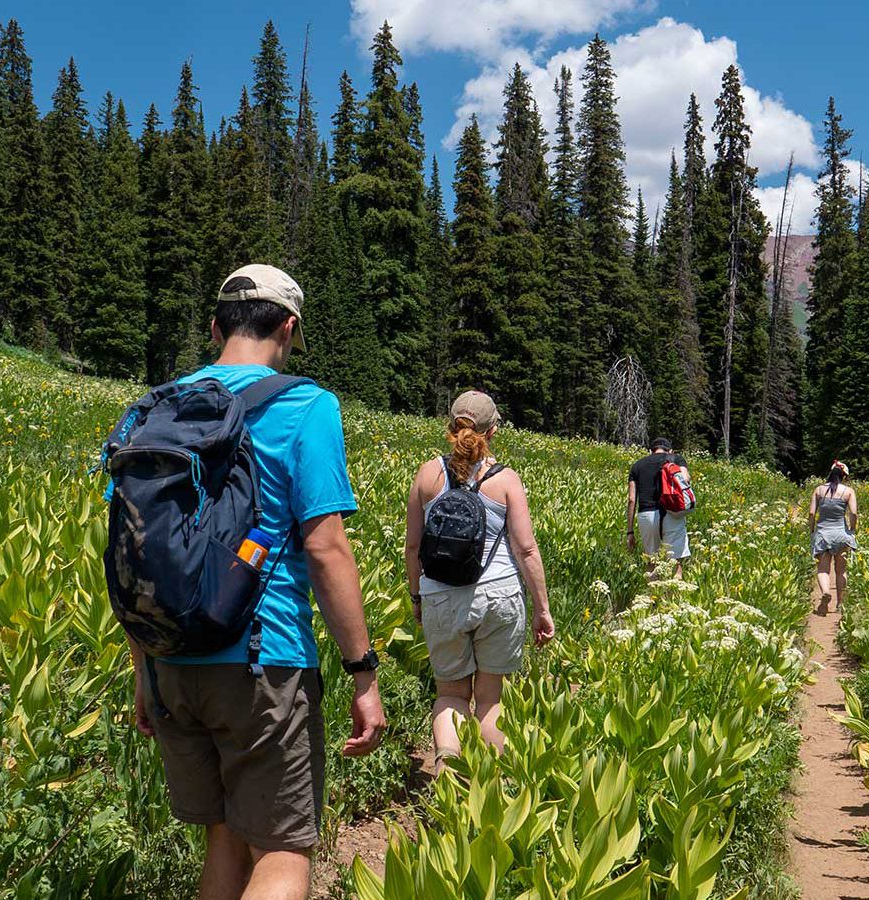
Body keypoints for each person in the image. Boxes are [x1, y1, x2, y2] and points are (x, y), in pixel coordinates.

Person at [128, 264, 386, 900]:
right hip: (262, 660)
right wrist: (364, 673)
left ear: (216, 326)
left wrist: (144, 668)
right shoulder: (305, 405)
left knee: (222, 837)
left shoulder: (154, 408)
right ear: (290, 328)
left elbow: (132, 549)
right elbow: (325, 549)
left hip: (171, 662)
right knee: (283, 850)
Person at [404, 391, 555, 759]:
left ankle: (449, 775)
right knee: (491, 702)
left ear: (450, 427)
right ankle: (491, 793)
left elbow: (412, 548)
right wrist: (542, 608)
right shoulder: (505, 480)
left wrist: (417, 598)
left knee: (451, 696)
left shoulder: (428, 474)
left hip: (441, 596)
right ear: (494, 431)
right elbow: (527, 550)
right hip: (499, 594)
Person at [628, 438, 692, 579]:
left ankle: (653, 598)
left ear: (651, 451)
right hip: (671, 513)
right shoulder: (675, 459)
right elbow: (685, 478)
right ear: (670, 450)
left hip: (646, 515)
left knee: (652, 562)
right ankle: (673, 596)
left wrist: (630, 531)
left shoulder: (637, 466)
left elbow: (632, 499)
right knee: (675, 563)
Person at [810, 461, 859, 616]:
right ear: (844, 476)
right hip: (841, 535)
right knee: (841, 571)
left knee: (823, 569)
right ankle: (840, 604)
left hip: (823, 534)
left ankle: (825, 592)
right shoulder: (848, 491)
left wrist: (812, 531)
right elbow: (853, 513)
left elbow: (811, 513)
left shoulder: (818, 490)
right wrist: (852, 529)